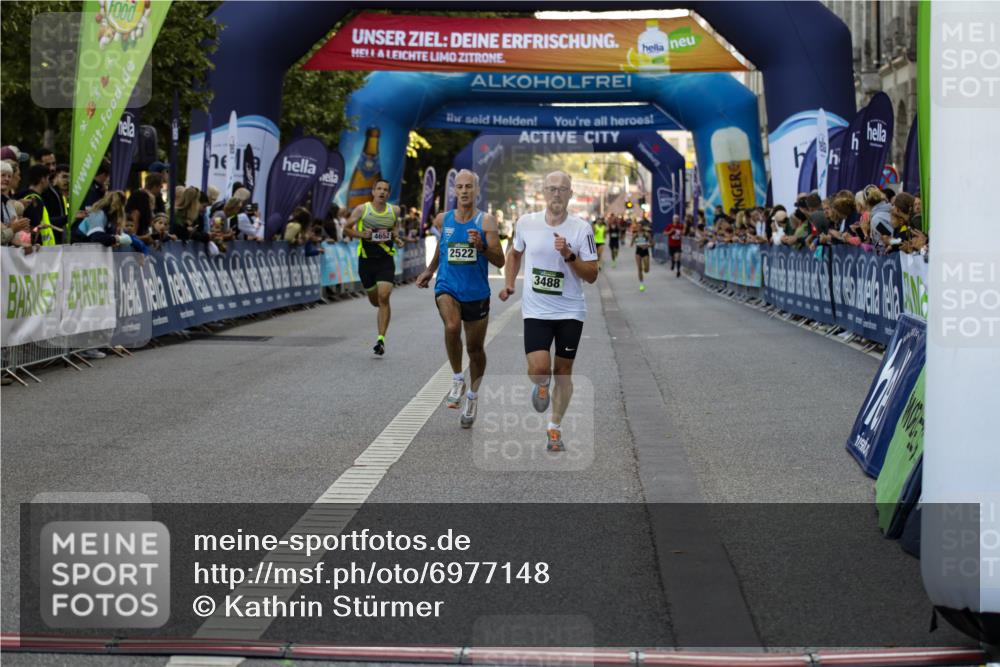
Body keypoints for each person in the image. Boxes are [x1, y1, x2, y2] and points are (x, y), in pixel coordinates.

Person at [499, 171, 599, 452]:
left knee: (564, 372)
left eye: (562, 189)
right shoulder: (526, 223)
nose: (557, 194)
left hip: (570, 310)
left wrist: (569, 255)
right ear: (543, 192)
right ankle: (541, 384)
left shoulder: (582, 229)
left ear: (571, 194)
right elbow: (515, 253)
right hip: (537, 310)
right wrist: (509, 283)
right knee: (541, 369)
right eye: (552, 189)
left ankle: (554, 427)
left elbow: (591, 274)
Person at [416, 170, 504, 427]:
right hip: (448, 286)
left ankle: (473, 396)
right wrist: (430, 270)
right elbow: (443, 250)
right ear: (455, 191)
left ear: (477, 191)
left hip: (476, 293)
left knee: (475, 350)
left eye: (469, 187)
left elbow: (500, 260)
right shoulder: (443, 219)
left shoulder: (486, 221)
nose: (464, 191)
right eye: (460, 187)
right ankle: (457, 378)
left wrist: (482, 247)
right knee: (452, 326)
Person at [342, 179, 404, 356]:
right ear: (373, 191)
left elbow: (395, 227)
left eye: (385, 189)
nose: (382, 192)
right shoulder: (362, 209)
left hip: (385, 260)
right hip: (366, 261)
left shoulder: (394, 211)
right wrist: (361, 234)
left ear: (388, 194)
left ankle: (381, 340)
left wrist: (397, 237)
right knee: (375, 301)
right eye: (379, 189)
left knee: (384, 297)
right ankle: (381, 309)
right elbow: (346, 229)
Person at [631, 216, 654, 291]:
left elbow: (653, 243)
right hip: (638, 251)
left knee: (646, 270)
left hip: (645, 251)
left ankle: (646, 267)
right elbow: (631, 244)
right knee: (639, 268)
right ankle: (641, 284)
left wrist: (647, 245)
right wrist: (634, 242)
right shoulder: (635, 234)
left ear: (642, 227)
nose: (639, 228)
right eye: (638, 226)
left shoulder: (646, 234)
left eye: (640, 226)